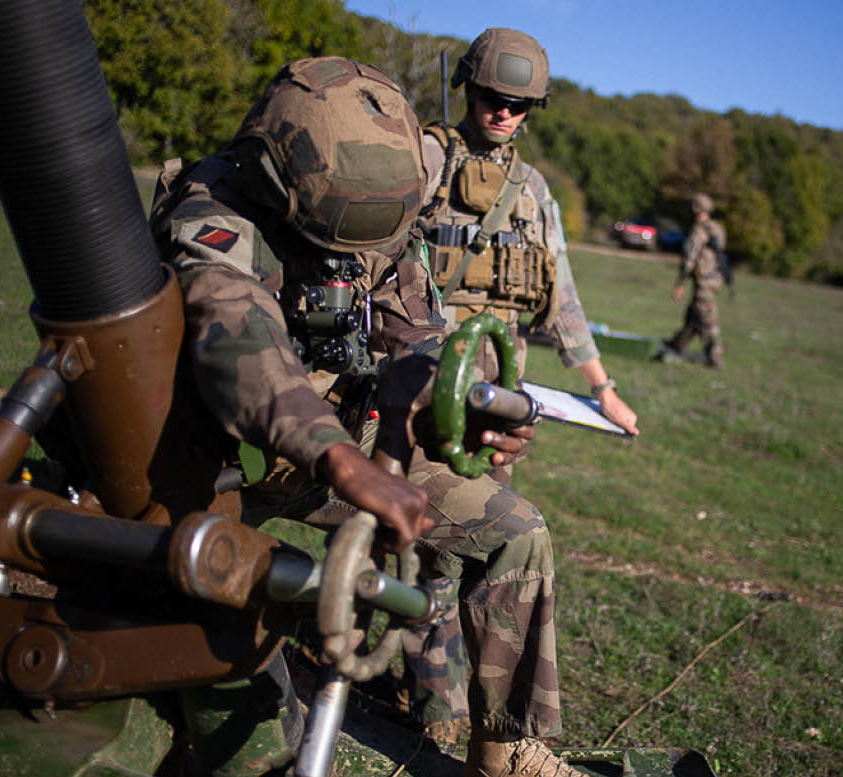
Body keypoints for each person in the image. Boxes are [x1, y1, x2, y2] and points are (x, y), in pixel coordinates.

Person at [150, 57, 578, 777]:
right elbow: (240, 345)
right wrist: (346, 464)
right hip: (208, 461)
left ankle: (504, 750)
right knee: (243, 703)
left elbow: (417, 333)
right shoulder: (214, 209)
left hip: (340, 438)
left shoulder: (377, 208)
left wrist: (466, 406)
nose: (360, 255)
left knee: (518, 535)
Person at [416, 27, 639, 442]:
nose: (504, 113)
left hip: (502, 377)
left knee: (492, 492)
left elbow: (563, 295)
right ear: (469, 90)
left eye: (518, 106)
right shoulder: (430, 158)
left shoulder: (532, 187)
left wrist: (603, 389)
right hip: (423, 366)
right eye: (493, 99)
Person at [663, 192, 728, 368]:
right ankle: (678, 344)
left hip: (704, 281)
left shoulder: (699, 230)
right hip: (714, 279)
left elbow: (690, 258)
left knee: (706, 319)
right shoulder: (717, 228)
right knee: (693, 314)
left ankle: (715, 358)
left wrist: (680, 283)